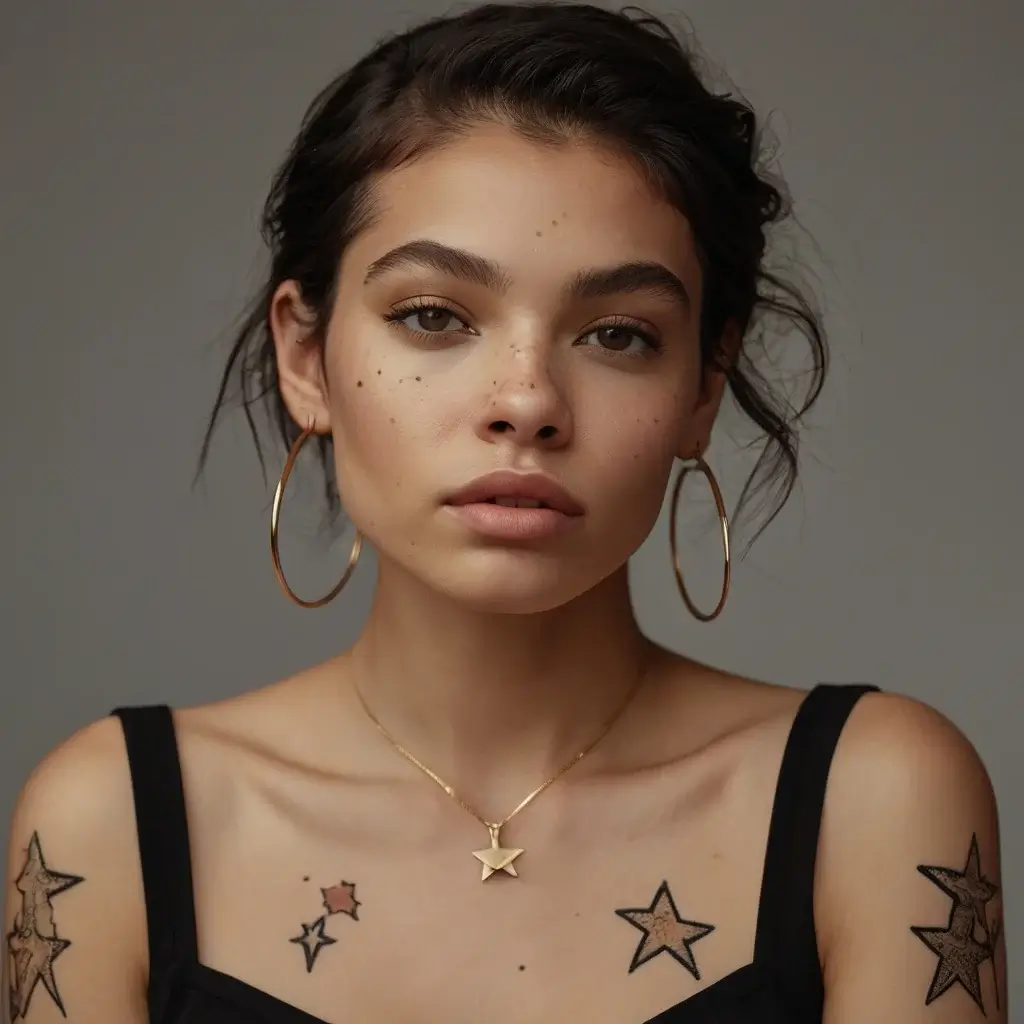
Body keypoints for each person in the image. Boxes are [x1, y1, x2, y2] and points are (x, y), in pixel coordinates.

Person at [2, 3, 1006, 1022]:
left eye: (617, 334)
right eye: (433, 316)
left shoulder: (873, 799)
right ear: (304, 357)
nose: (525, 401)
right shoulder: (112, 823)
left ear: (705, 384)